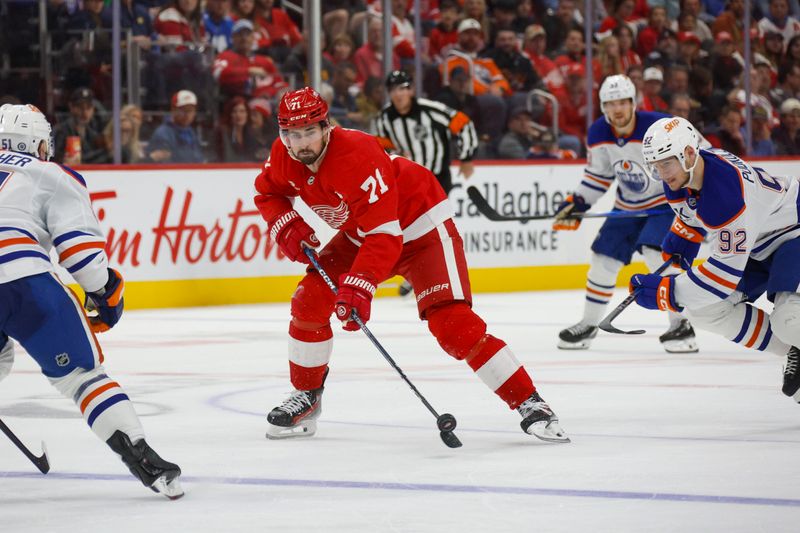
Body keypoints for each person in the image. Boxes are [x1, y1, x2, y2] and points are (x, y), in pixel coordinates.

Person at [254, 88, 570, 444]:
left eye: (309, 131)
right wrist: (286, 223)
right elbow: (268, 193)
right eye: (291, 135)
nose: (301, 143)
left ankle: (531, 403)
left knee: (452, 325)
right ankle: (307, 399)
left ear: (326, 126)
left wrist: (360, 286)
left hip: (421, 229)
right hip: (364, 233)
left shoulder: (357, 154)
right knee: (309, 299)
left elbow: (386, 236)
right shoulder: (285, 156)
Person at [0, 104, 183, 498]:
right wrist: (104, 291)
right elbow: (80, 254)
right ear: (39, 144)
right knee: (82, 377)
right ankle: (143, 458)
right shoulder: (49, 173)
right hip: (22, 281)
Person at [633, 116, 800, 402]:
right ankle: (793, 350)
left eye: (665, 163)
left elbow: (722, 278)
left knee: (789, 321)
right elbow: (696, 209)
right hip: (757, 242)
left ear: (687, 154)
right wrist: (686, 231)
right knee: (704, 310)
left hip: (792, 233)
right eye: (656, 166)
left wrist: (666, 292)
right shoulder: (684, 175)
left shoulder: (726, 194)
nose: (661, 173)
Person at [552, 74, 700, 353]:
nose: (617, 109)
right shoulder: (598, 133)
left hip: (664, 204)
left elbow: (698, 152)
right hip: (627, 207)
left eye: (622, 102)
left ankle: (681, 324)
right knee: (602, 259)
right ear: (602, 107)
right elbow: (598, 175)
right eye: (610, 104)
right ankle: (588, 324)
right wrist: (578, 202)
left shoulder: (659, 126)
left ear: (634, 102)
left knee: (658, 255)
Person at [146, 90, 205, 163]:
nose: (187, 115)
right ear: (173, 110)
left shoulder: (191, 132)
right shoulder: (163, 134)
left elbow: (199, 159)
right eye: (183, 110)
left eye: (190, 111)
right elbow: (164, 166)